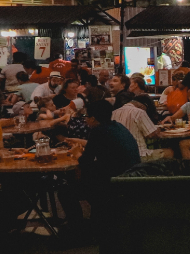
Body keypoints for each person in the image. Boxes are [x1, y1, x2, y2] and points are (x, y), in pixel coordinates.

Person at [62, 100, 140, 233]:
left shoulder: (98, 131)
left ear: (92, 118)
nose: (85, 120)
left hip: (112, 182)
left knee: (65, 191)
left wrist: (76, 152)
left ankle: (78, 229)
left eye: (86, 117)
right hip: (130, 176)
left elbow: (85, 161)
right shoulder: (117, 126)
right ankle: (99, 221)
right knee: (88, 176)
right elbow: (103, 146)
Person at [113, 95, 173, 162]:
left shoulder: (114, 113)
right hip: (138, 154)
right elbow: (152, 134)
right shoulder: (139, 112)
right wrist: (160, 128)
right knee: (170, 152)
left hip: (119, 155)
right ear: (143, 106)